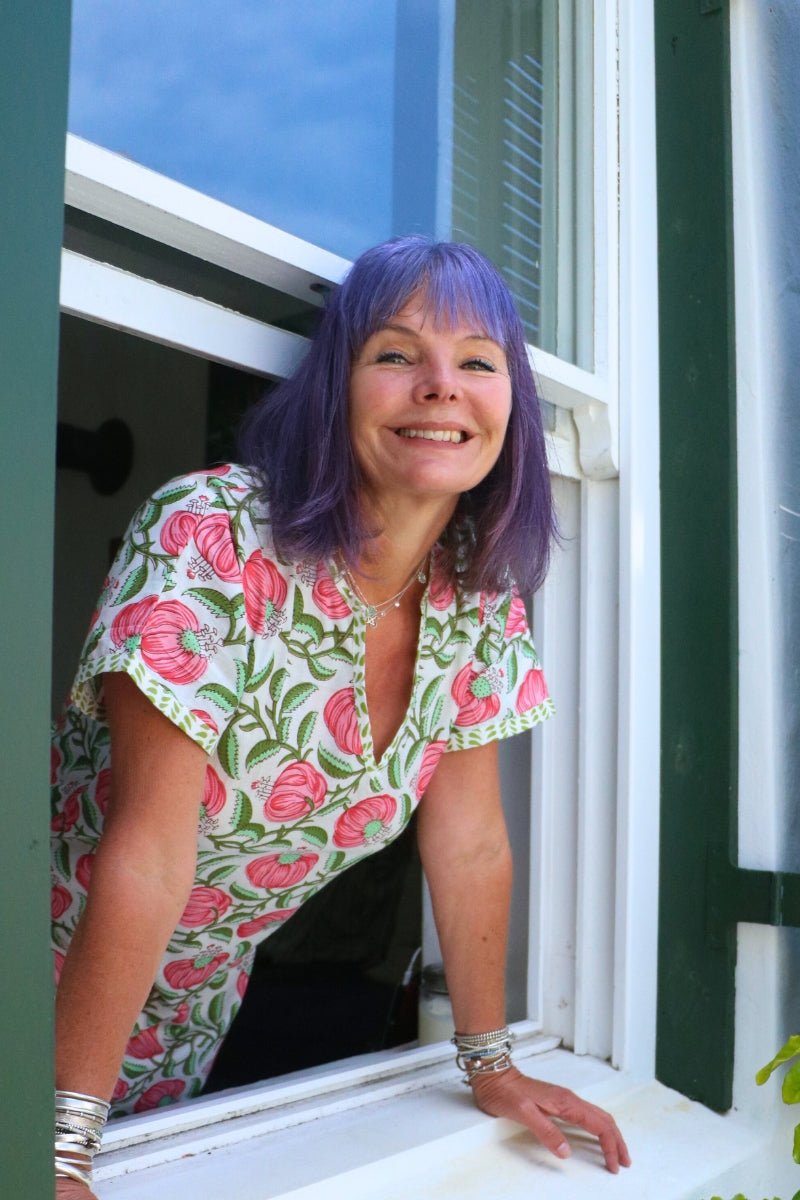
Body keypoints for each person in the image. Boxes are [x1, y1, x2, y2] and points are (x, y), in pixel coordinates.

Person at [51, 236, 631, 1196]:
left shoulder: (479, 600)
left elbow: (473, 844)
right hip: (43, 969)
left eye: (478, 362)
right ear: (336, 388)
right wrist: (60, 1140)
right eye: (397, 353)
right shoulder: (212, 533)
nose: (441, 386)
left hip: (183, 1016)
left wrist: (490, 1065)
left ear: (512, 410)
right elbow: (150, 854)